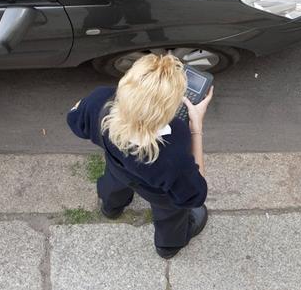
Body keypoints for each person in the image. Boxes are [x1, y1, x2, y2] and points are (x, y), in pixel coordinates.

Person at [67, 53, 213, 259]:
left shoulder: (99, 101)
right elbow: (195, 195)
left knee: (114, 184)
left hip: (117, 167)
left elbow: (75, 120)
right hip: (156, 192)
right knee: (171, 214)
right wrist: (196, 127)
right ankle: (167, 246)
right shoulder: (175, 146)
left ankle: (111, 208)